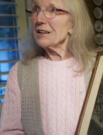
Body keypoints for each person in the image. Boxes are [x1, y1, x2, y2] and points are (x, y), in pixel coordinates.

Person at [0, 0, 96, 134]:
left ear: (73, 23)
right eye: (36, 9)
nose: (39, 19)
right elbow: (10, 131)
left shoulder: (97, 68)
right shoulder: (20, 72)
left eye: (53, 10)